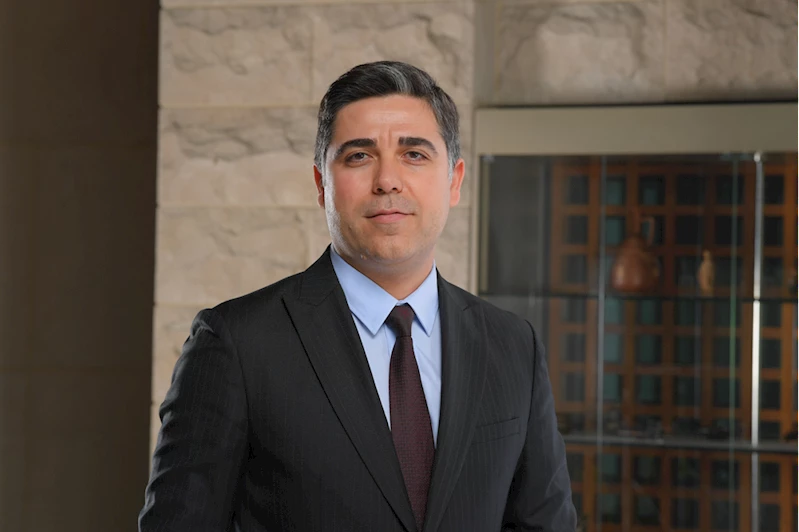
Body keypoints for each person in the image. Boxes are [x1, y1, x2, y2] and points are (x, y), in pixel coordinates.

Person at [139, 60, 576, 532]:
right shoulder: (237, 344)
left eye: (414, 154)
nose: (387, 180)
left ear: (454, 181)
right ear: (321, 185)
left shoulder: (513, 346)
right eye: (359, 156)